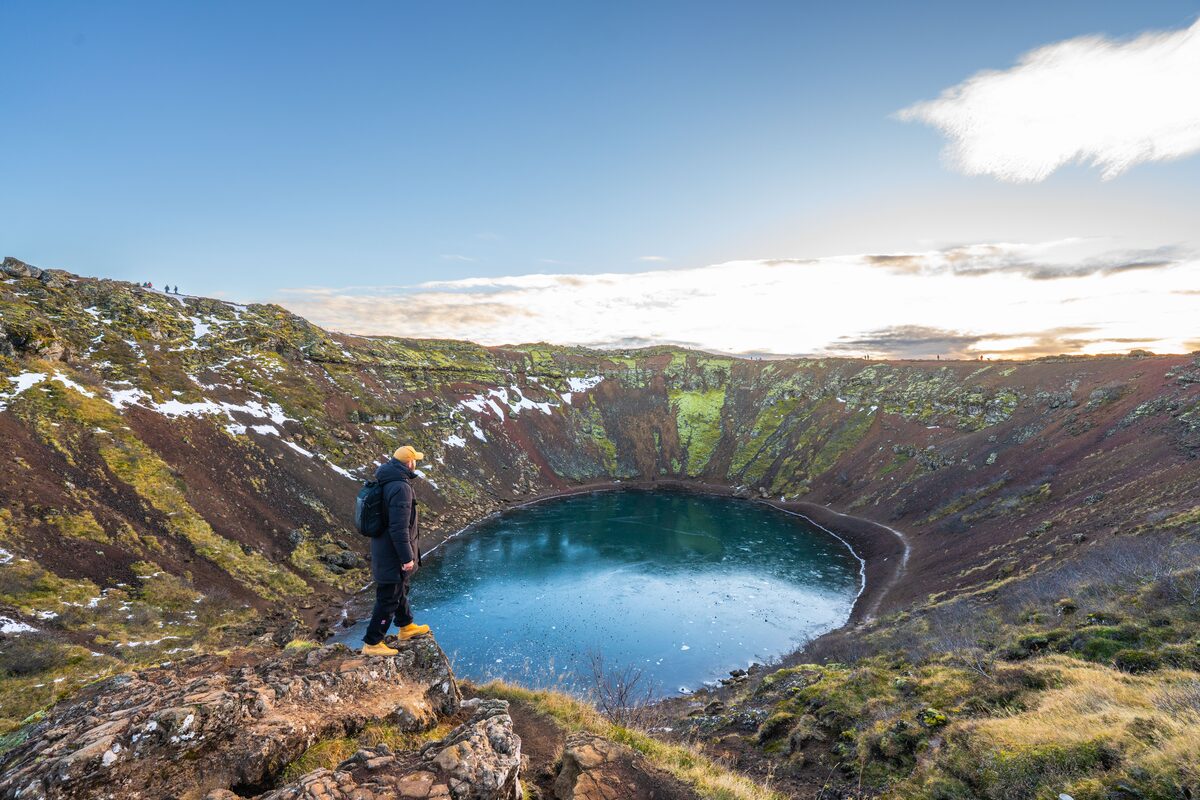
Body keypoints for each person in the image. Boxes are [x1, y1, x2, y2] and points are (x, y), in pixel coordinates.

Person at [361, 444, 432, 655]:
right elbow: (399, 527)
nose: (416, 463)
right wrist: (406, 557)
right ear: (409, 463)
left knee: (399, 590)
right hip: (393, 553)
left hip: (384, 548)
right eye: (415, 460)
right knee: (389, 597)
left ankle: (406, 626)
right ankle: (372, 642)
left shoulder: (388, 481)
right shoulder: (401, 488)